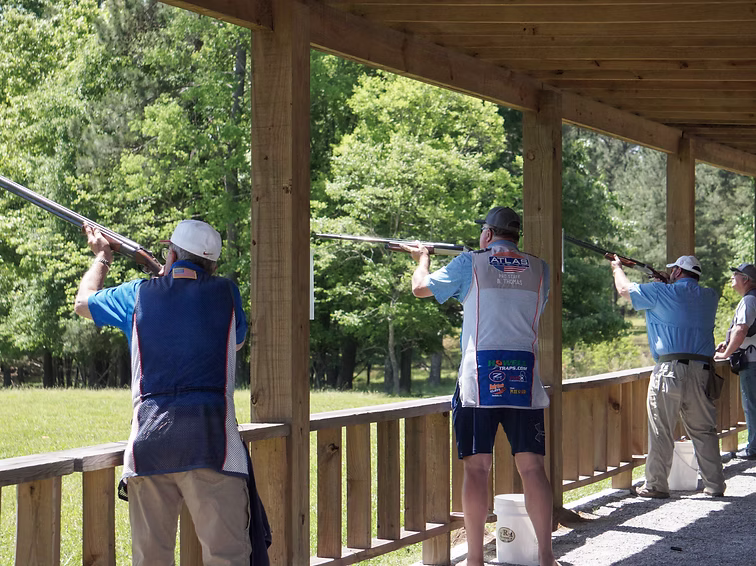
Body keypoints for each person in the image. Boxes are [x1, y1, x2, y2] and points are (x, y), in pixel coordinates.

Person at [74, 219, 252, 566]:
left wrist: (102, 257)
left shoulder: (138, 294)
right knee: (227, 558)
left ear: (170, 253)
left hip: (149, 449)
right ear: (213, 264)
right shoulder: (227, 293)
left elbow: (83, 303)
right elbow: (238, 340)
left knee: (151, 560)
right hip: (214, 446)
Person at [402, 207, 558, 566]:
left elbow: (420, 289)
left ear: (488, 234)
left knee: (477, 468)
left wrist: (422, 259)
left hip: (478, 380)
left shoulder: (470, 262)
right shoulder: (540, 269)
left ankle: (474, 559)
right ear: (515, 235)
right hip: (524, 376)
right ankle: (547, 558)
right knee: (533, 468)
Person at [610, 254, 726, 498]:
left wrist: (617, 267)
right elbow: (683, 301)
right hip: (702, 370)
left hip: (669, 370)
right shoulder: (709, 297)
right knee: (704, 431)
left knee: (661, 429)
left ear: (676, 272)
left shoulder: (660, 293)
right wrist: (666, 283)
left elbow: (623, 289)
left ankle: (656, 485)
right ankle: (714, 485)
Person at [714, 263, 756, 460]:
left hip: (752, 361)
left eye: (736, 275)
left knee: (752, 404)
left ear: (745, 280)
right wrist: (729, 342)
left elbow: (741, 331)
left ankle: (754, 449)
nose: (732, 278)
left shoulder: (749, 300)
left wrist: (725, 353)